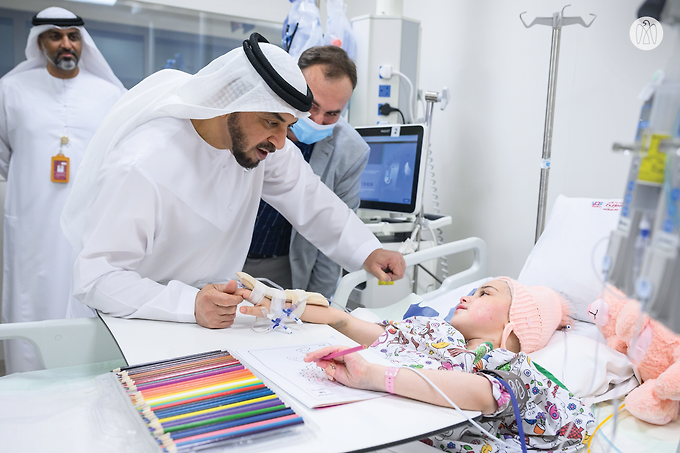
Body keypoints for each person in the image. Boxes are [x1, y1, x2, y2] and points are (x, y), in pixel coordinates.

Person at [60, 33, 405, 330]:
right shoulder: (142, 166)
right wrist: (189, 304)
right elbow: (98, 279)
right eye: (272, 122)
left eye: (287, 125)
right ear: (232, 103)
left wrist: (367, 250)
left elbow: (312, 200)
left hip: (207, 323)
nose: (281, 141)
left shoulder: (260, 144)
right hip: (131, 326)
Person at [240, 277, 596, 453]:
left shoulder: (513, 365)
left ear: (513, 325)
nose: (465, 295)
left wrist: (375, 376)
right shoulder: (438, 338)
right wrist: (292, 305)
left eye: (484, 294)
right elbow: (371, 332)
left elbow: (484, 394)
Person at [0, 6, 125, 373]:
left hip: (88, 225)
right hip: (31, 223)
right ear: (39, 42)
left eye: (73, 36)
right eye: (55, 36)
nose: (65, 44)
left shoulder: (108, 93)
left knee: (82, 296)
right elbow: (4, 156)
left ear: (83, 41)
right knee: (30, 302)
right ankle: (25, 386)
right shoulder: (10, 90)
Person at [244, 45, 369, 298]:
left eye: (332, 113)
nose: (318, 121)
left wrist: (316, 307)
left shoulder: (350, 151)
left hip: (283, 264)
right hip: (226, 248)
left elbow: (333, 235)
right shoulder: (253, 118)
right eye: (312, 106)